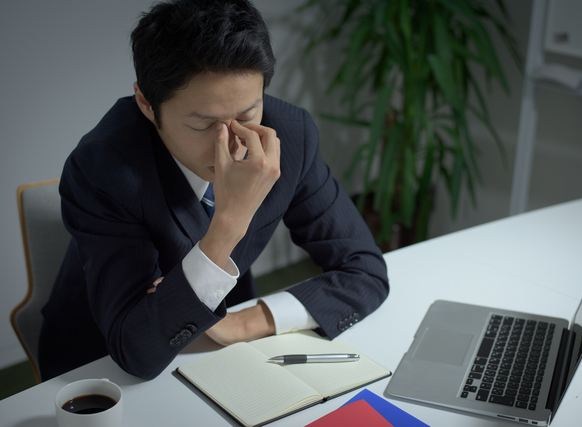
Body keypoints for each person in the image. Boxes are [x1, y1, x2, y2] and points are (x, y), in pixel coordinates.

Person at [38, 0, 388, 381]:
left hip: (220, 335)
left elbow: (366, 272)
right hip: (99, 364)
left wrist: (244, 323)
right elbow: (134, 350)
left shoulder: (291, 135)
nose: (231, 144)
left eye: (246, 115)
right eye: (203, 125)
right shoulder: (102, 168)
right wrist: (228, 223)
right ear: (146, 103)